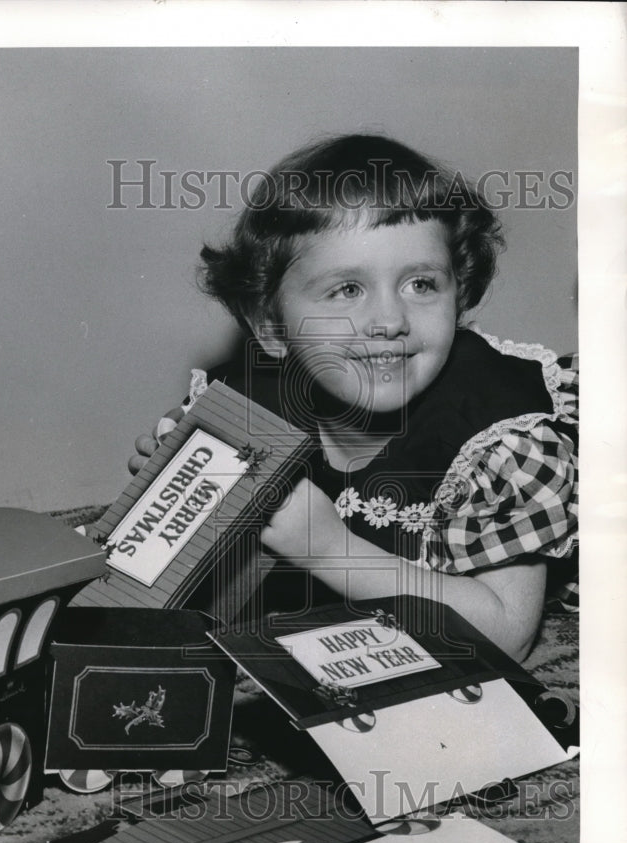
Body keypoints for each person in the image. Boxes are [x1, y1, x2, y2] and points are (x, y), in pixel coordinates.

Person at [130, 134, 578, 662]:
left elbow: (509, 636)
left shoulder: (503, 436)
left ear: (459, 292)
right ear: (272, 327)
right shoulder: (249, 404)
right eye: (347, 290)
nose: (389, 321)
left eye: (421, 284)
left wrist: (329, 550)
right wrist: (169, 485)